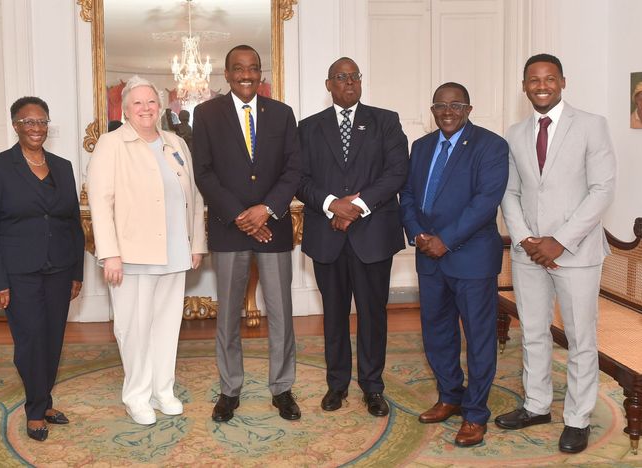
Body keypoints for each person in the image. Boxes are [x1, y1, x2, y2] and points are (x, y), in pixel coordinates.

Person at [497, 53, 616, 454]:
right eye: (533, 79)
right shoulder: (514, 133)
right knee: (532, 332)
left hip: (577, 252)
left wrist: (559, 241)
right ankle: (536, 405)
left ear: (563, 82)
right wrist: (526, 239)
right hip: (528, 253)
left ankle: (578, 418)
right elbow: (509, 192)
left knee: (581, 337)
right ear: (524, 85)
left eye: (549, 78)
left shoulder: (591, 126)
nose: (541, 85)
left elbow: (602, 190)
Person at [192, 44, 302, 422]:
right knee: (227, 317)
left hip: (273, 227)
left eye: (253, 68)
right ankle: (229, 390)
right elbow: (203, 172)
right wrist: (240, 214)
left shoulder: (282, 114)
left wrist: (265, 210)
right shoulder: (205, 114)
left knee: (282, 313)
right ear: (226, 74)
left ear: (261, 73)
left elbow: (294, 169)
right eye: (238, 68)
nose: (246, 74)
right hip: (230, 228)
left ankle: (282, 389)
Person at [89, 76, 206, 425]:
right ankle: (137, 396)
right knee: (134, 329)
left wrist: (196, 243)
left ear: (161, 107)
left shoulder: (175, 143)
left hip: (174, 254)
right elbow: (100, 201)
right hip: (131, 257)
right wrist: (110, 253)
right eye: (137, 103)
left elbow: (194, 197)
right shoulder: (111, 144)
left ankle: (163, 390)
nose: (145, 109)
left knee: (167, 328)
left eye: (151, 102)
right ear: (125, 110)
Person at [297, 57, 408, 418]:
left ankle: (373, 387)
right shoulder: (308, 127)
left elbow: (397, 173)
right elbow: (298, 178)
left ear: (361, 82)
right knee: (334, 315)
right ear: (328, 84)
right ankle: (337, 385)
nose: (349, 83)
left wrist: (356, 206)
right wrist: (332, 205)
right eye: (341, 78)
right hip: (327, 235)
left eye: (354, 77)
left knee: (373, 314)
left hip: (372, 234)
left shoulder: (385, 122)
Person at [399, 82, 509, 446]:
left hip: (471, 258)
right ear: (432, 110)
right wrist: (417, 234)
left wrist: (446, 240)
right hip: (428, 256)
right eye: (440, 105)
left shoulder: (491, 146)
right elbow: (409, 196)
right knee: (437, 333)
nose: (448, 111)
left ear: (468, 109)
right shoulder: (422, 146)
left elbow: (485, 202)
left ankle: (476, 413)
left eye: (456, 105)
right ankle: (450, 396)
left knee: (478, 339)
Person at [0, 96, 85, 441]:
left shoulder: (63, 166)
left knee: (53, 339)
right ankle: (35, 410)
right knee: (29, 341)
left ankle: (44, 398)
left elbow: (72, 222)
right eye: (28, 122)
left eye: (42, 122)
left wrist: (77, 272)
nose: (36, 128)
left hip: (59, 267)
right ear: (15, 126)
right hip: (18, 271)